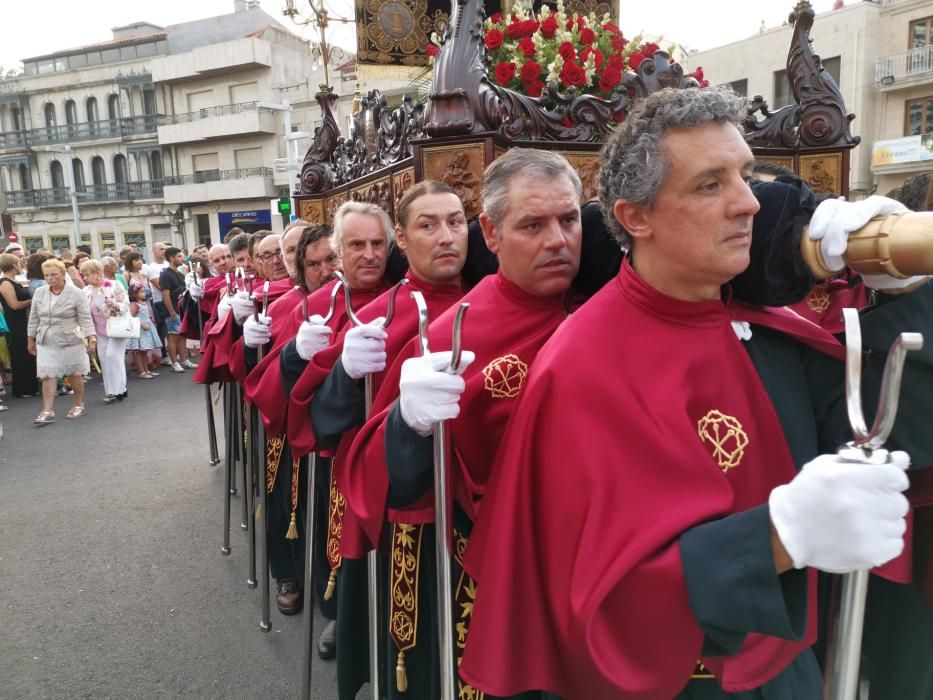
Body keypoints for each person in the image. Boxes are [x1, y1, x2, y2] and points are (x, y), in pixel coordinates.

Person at [458, 87, 933, 699]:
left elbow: (878, 426)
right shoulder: (582, 367)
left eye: (742, 175)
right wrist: (777, 537)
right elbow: (605, 598)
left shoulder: (766, 328)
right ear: (635, 216)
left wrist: (906, 294)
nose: (747, 204)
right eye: (710, 185)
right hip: (677, 679)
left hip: (786, 663)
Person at [344, 149, 582, 698]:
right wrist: (409, 422)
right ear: (493, 234)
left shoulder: (596, 310)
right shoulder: (450, 333)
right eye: (533, 225)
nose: (558, 241)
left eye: (568, 220)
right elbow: (384, 470)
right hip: (477, 560)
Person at [284, 187, 468, 699]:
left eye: (456, 222)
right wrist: (337, 368)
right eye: (428, 226)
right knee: (373, 604)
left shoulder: (475, 294)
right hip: (380, 486)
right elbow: (310, 411)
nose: (368, 255)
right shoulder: (369, 311)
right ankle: (344, 617)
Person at [27, 258, 96, 423]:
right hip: (46, 339)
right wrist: (30, 339)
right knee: (47, 374)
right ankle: (47, 411)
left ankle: (78, 405)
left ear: (63, 274)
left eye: (54, 275)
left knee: (74, 373)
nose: (50, 278)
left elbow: (85, 318)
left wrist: (91, 338)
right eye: (47, 275)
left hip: (71, 339)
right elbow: (33, 318)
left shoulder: (76, 293)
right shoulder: (40, 292)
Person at [81, 259, 130, 403]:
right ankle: (112, 391)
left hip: (117, 328)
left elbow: (125, 304)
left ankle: (119, 390)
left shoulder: (112, 284)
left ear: (97, 274)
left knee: (113, 356)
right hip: (99, 330)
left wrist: (116, 304)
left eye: (86, 274)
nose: (84, 278)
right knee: (104, 358)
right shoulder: (86, 290)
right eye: (83, 275)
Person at [0, 252, 36, 397]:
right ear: (13, 265)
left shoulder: (13, 281)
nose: (21, 265)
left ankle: (30, 387)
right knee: (20, 353)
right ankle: (22, 389)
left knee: (27, 353)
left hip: (22, 321)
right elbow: (14, 305)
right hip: (15, 323)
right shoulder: (5, 283)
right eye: (19, 263)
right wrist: (32, 300)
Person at [159, 247, 190, 372]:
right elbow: (165, 294)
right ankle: (174, 362)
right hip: (172, 310)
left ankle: (184, 360)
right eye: (179, 256)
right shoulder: (165, 274)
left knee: (182, 336)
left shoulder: (178, 273)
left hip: (181, 308)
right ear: (171, 258)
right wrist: (171, 311)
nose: (182, 258)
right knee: (172, 336)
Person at [126, 282, 162, 379]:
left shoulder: (144, 303)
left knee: (145, 351)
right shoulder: (134, 305)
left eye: (144, 291)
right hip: (139, 331)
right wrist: (141, 324)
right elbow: (130, 317)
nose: (144, 293)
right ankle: (141, 371)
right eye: (141, 292)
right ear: (134, 294)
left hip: (147, 329)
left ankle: (146, 370)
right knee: (139, 352)